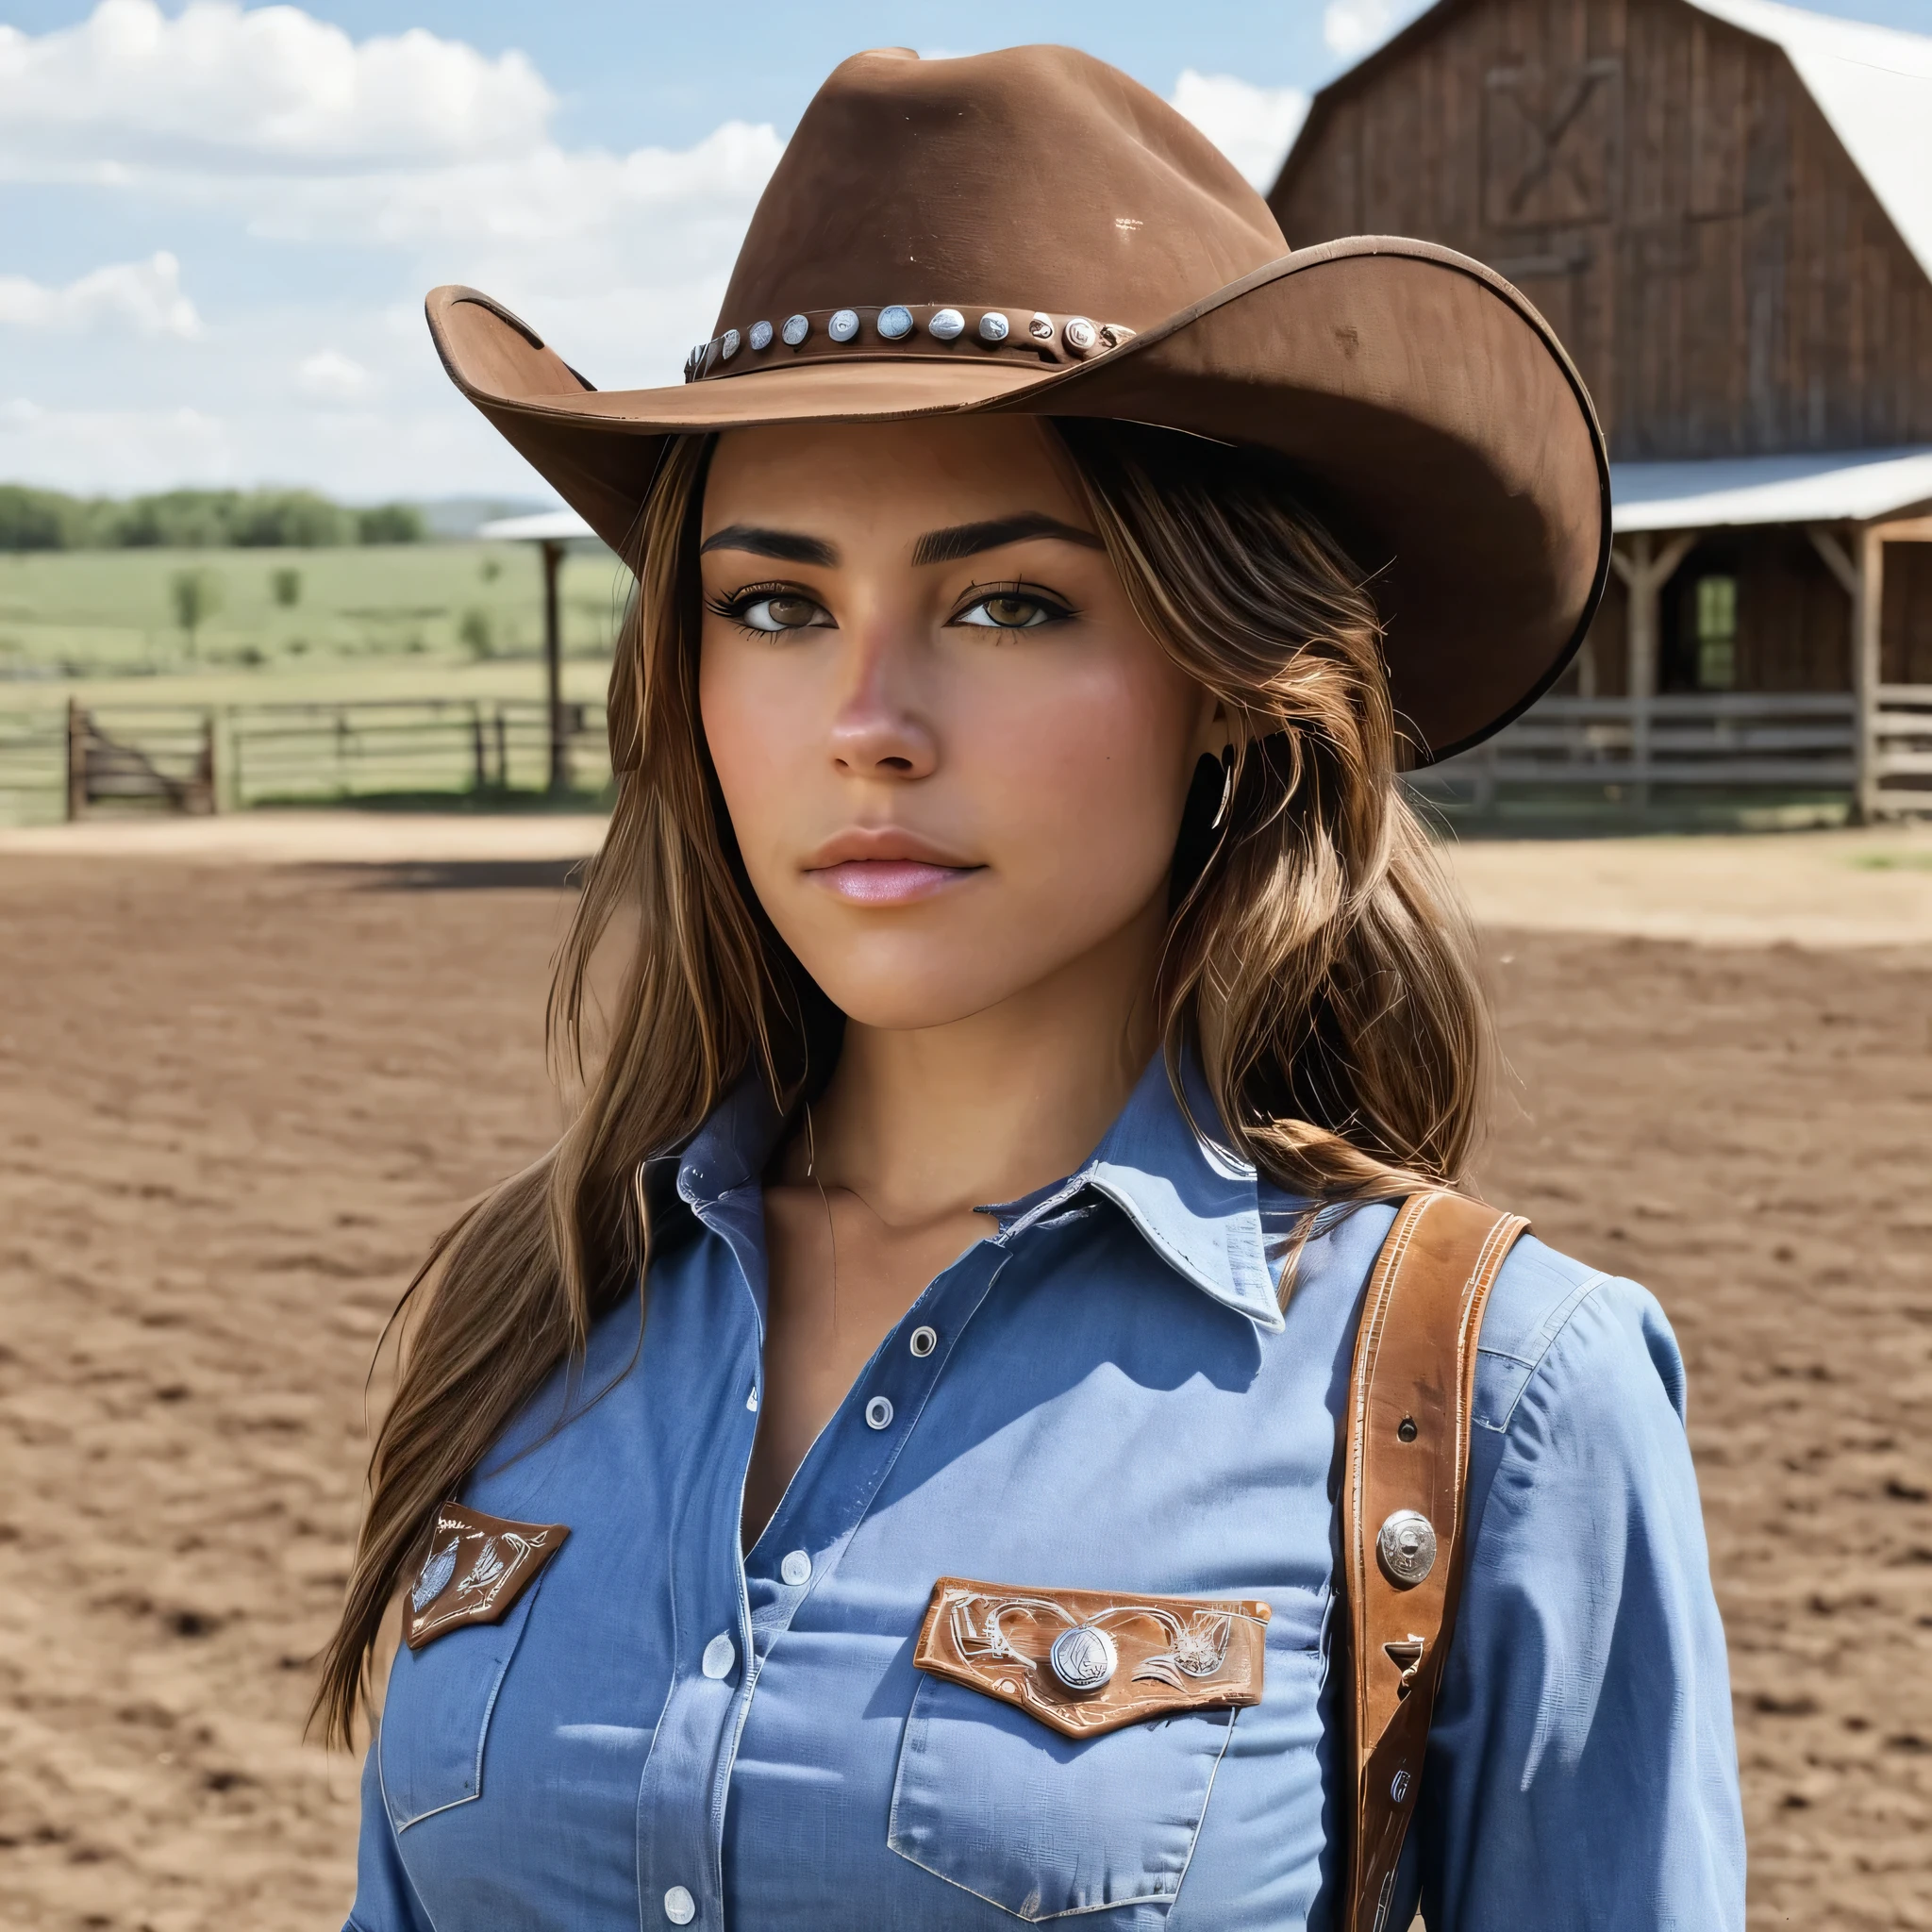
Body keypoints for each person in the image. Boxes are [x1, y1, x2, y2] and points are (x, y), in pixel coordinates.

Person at [324, 45, 1743, 1932]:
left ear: (1231, 686)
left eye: (1007, 604)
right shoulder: (540, 1309)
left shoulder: (1498, 1401)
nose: (867, 727)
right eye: (773, 604)